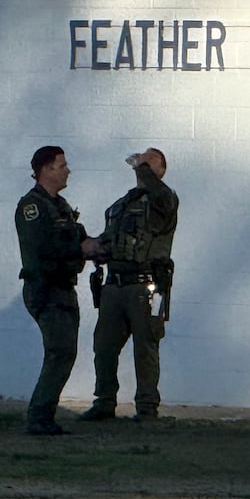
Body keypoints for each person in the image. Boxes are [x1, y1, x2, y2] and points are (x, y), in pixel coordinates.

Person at [78, 148, 179, 423]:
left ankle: (147, 408)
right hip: (115, 284)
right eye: (139, 163)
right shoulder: (123, 204)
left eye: (147, 163)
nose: (140, 167)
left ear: (158, 169)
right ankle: (104, 401)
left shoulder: (163, 201)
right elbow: (111, 238)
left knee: (145, 348)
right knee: (104, 346)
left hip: (145, 286)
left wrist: (141, 166)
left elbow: (160, 194)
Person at [16, 146, 104, 435]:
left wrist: (96, 245)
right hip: (46, 288)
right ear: (46, 170)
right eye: (62, 165)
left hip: (65, 287)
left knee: (65, 353)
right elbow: (41, 247)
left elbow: (78, 236)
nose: (68, 170)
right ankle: (39, 417)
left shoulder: (61, 206)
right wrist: (78, 248)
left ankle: (44, 415)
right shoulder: (32, 207)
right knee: (59, 351)